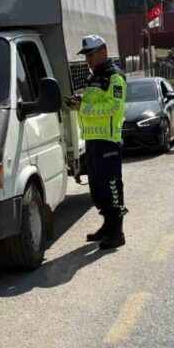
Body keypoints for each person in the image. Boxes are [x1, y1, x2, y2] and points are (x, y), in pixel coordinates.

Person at [65, 35, 127, 249]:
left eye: (90, 55)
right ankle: (107, 225)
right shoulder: (93, 78)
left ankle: (117, 232)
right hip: (92, 140)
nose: (88, 60)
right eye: (86, 56)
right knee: (97, 190)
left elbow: (114, 107)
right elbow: (93, 103)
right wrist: (79, 102)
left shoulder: (115, 77)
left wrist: (84, 108)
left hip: (107, 140)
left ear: (103, 51)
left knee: (111, 186)